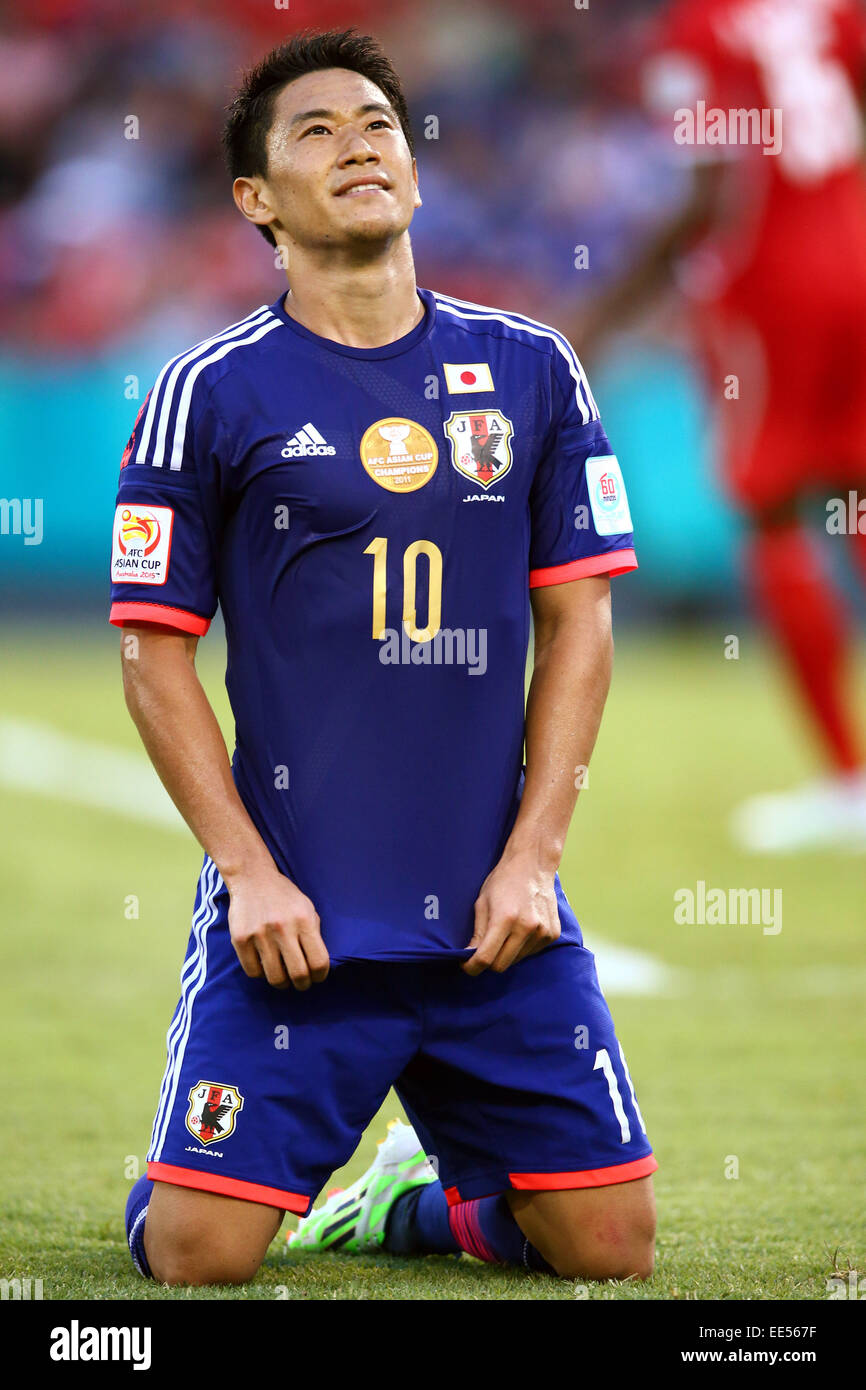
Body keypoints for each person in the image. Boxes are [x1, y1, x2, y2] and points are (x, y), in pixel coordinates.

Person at [113, 27, 655, 1287]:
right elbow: (151, 654)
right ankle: (228, 1171)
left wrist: (534, 859)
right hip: (299, 922)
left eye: (376, 122)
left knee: (610, 1251)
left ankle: (408, 1201)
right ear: (255, 200)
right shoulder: (208, 390)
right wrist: (246, 874)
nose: (358, 142)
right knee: (197, 1258)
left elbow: (580, 624)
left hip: (493, 924)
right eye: (314, 129)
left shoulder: (532, 368)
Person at [573, 0, 866, 852]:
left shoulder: (697, 34)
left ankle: (848, 779)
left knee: (770, 509)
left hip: (771, 286)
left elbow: (710, 194)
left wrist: (601, 314)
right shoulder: (834, 12)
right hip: (855, 258)